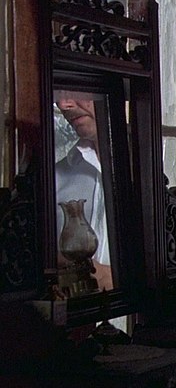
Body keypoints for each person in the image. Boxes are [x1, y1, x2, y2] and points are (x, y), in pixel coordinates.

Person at [54, 91, 112, 291]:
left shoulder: (151, 175)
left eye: (73, 90)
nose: (63, 104)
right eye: (57, 93)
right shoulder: (54, 178)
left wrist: (115, 281)